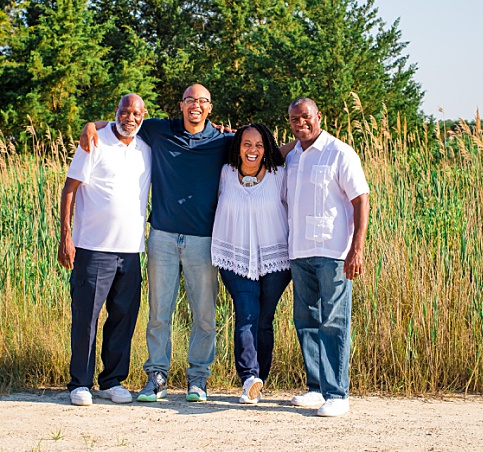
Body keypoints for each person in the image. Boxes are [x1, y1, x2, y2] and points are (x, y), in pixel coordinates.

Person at [81, 83, 232, 402]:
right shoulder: (159, 130)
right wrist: (89, 126)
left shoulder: (222, 140)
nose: (196, 105)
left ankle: (198, 379)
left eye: (202, 101)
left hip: (203, 239)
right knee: (159, 312)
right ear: (180, 105)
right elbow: (121, 122)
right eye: (190, 100)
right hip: (162, 236)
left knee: (204, 314)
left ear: (210, 107)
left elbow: (258, 146)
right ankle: (157, 377)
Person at [58, 94, 151, 406]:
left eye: (136, 113)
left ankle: (111, 381)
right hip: (92, 247)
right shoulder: (94, 142)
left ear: (144, 116)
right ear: (116, 113)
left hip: (131, 250)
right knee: (86, 317)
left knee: (123, 317)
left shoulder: (146, 148)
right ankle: (79, 383)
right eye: (125, 112)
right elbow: (69, 189)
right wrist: (65, 236)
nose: (130, 118)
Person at [284, 98, 370, 417]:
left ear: (319, 116)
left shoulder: (339, 152)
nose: (300, 123)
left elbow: (361, 200)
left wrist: (356, 249)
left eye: (305, 117)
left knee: (334, 320)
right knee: (306, 319)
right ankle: (316, 388)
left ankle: (338, 393)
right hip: (299, 252)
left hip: (334, 253)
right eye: (294, 119)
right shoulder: (292, 155)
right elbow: (260, 150)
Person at [210, 123, 291, 405]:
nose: (252, 150)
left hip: (274, 259)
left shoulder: (280, 176)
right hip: (234, 256)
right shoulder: (224, 174)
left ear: (267, 148)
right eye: (246, 143)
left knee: (264, 321)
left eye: (259, 145)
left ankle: (259, 380)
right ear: (237, 146)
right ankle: (248, 378)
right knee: (246, 315)